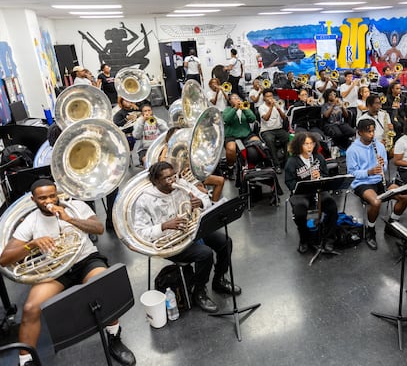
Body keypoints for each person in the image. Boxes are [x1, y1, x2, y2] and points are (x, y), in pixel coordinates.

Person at [0, 179, 136, 366]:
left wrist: (69, 219)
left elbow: (99, 228)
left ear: (57, 195)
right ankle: (26, 360)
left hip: (85, 260)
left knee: (102, 287)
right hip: (55, 269)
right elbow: (4, 258)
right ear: (33, 200)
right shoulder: (30, 221)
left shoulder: (76, 207)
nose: (48, 201)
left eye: (51, 196)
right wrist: (30, 245)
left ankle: (114, 338)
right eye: (42, 198)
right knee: (31, 308)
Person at [133, 162, 242, 313]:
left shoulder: (181, 184)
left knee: (225, 242)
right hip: (170, 240)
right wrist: (164, 226)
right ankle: (199, 291)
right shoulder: (144, 200)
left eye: (173, 176)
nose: (173, 180)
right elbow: (140, 233)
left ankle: (219, 280)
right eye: (167, 178)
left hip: (191, 230)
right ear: (156, 181)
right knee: (205, 254)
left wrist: (201, 202)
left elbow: (205, 198)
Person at [347, 119, 407, 250]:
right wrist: (368, 172)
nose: (372, 134)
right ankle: (370, 231)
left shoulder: (379, 146)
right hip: (362, 183)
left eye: (373, 131)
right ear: (359, 133)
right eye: (368, 131)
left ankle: (392, 224)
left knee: (405, 197)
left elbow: (385, 168)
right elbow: (351, 174)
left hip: (379, 180)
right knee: (376, 202)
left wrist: (382, 165)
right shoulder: (352, 150)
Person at [284, 132, 338, 253]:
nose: (309, 147)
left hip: (318, 190)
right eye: (306, 144)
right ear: (299, 145)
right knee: (300, 214)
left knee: (332, 207)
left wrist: (320, 176)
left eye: (311, 144)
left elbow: (326, 174)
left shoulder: (318, 157)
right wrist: (302, 184)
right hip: (300, 194)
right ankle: (305, 239)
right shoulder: (292, 161)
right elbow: (289, 182)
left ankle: (329, 239)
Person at [158, 127, 225, 202]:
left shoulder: (184, 146)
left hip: (192, 175)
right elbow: (163, 164)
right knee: (204, 192)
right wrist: (167, 147)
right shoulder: (167, 149)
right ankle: (206, 207)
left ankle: (213, 204)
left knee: (220, 181)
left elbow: (194, 162)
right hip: (181, 179)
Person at [222, 93, 260, 173]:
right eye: (234, 98)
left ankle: (255, 164)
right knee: (231, 149)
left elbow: (252, 119)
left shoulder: (244, 108)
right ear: (230, 101)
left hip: (246, 134)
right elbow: (226, 120)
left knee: (257, 143)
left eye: (237, 97)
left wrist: (245, 109)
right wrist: (235, 108)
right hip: (232, 135)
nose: (237, 99)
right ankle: (230, 167)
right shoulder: (227, 110)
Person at [259, 88, 289, 173]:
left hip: (278, 129)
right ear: (264, 98)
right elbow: (266, 118)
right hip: (266, 130)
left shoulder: (278, 104)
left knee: (288, 138)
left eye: (271, 96)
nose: (270, 98)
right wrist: (271, 107)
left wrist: (279, 108)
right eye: (267, 96)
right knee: (270, 140)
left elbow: (284, 118)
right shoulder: (262, 107)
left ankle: (287, 163)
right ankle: (276, 165)